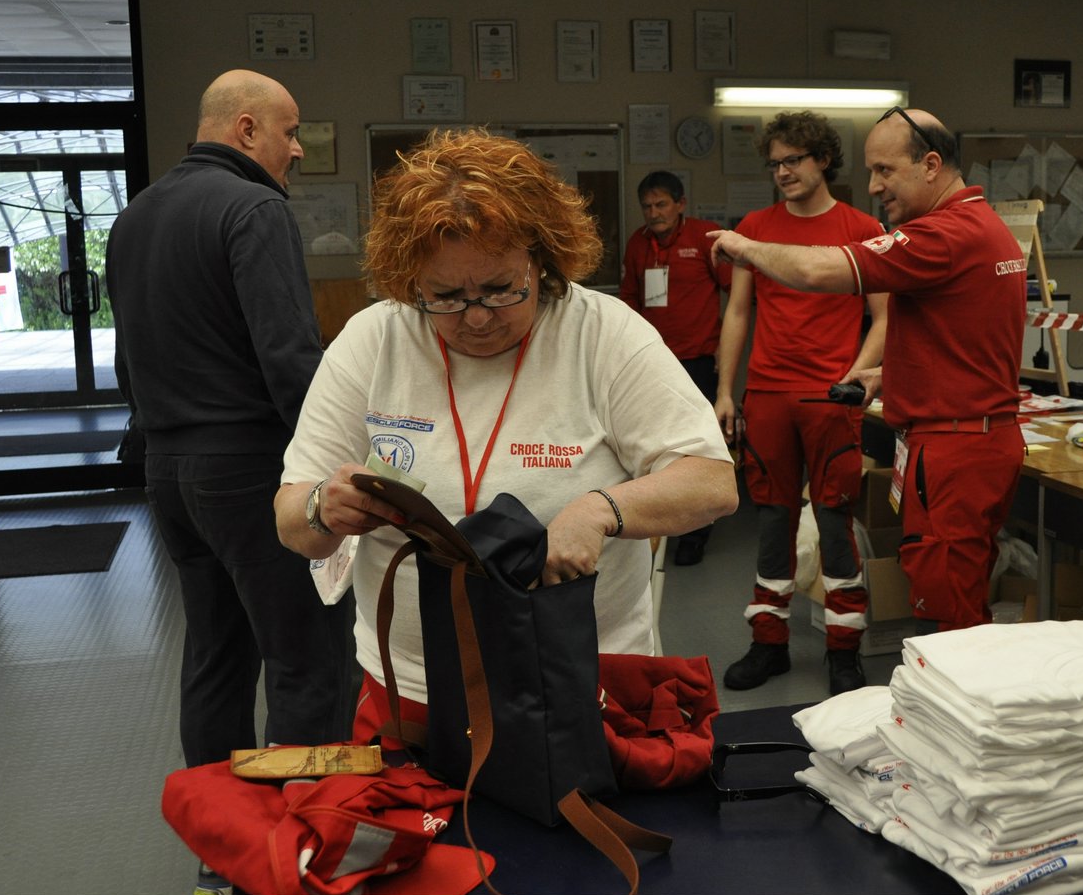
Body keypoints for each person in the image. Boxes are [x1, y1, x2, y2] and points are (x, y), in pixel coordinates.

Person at [275, 129, 737, 742]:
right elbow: (292, 523)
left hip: (582, 683)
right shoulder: (375, 339)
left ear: (542, 260)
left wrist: (603, 509)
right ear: (410, 279)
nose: (476, 317)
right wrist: (322, 509)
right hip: (412, 687)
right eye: (444, 296)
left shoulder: (602, 333)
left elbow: (712, 483)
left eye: (501, 289)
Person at [106, 69, 356, 895]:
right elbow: (289, 357)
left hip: (168, 469)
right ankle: (300, 844)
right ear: (245, 129)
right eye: (290, 132)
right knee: (308, 656)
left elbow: (125, 361)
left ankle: (221, 840)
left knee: (215, 653)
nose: (296, 149)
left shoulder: (135, 215)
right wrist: (338, 468)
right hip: (249, 468)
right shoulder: (254, 210)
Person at [711, 107, 1026, 641]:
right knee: (951, 592)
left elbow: (817, 270)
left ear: (930, 164)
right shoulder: (981, 224)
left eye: (885, 170)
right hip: (963, 438)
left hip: (954, 450)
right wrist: (887, 375)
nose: (876, 186)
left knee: (949, 613)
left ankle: (945, 708)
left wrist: (742, 245)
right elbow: (958, 342)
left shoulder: (941, 233)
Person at [711, 111, 888, 696]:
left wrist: (858, 376)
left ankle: (844, 649)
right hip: (766, 395)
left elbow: (885, 316)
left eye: (793, 161)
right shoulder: (754, 227)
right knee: (771, 520)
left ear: (823, 160)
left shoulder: (863, 228)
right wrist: (725, 392)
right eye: (775, 164)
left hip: (829, 398)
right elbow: (738, 312)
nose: (782, 172)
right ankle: (769, 643)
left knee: (834, 522)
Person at [619, 170, 732, 565]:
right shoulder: (638, 243)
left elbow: (737, 296)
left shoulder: (705, 238)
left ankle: (697, 532)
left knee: (697, 447)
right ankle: (659, 524)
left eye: (661, 204)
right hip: (652, 361)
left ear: (681, 204)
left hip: (698, 360)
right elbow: (630, 300)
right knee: (656, 444)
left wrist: (725, 348)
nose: (653, 213)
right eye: (647, 206)